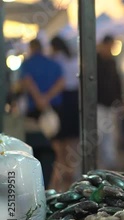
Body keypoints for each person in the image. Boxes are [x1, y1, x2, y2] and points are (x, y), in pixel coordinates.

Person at [20, 38, 65, 188]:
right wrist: (47, 98)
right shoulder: (53, 64)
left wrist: (39, 99)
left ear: (31, 48)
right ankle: (56, 181)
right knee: (55, 145)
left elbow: (27, 81)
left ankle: (37, 183)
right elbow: (61, 82)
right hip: (54, 111)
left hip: (34, 113)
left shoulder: (27, 64)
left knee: (35, 148)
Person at [49, 36, 80, 192]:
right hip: (74, 99)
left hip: (63, 100)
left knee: (60, 141)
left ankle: (61, 173)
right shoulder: (73, 59)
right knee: (71, 141)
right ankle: (71, 172)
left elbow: (59, 82)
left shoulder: (56, 60)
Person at [96, 35, 123, 170]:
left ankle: (110, 162)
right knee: (100, 134)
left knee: (111, 135)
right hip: (99, 104)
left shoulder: (112, 61)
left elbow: (117, 82)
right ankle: (100, 163)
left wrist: (119, 101)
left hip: (110, 105)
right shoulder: (95, 61)